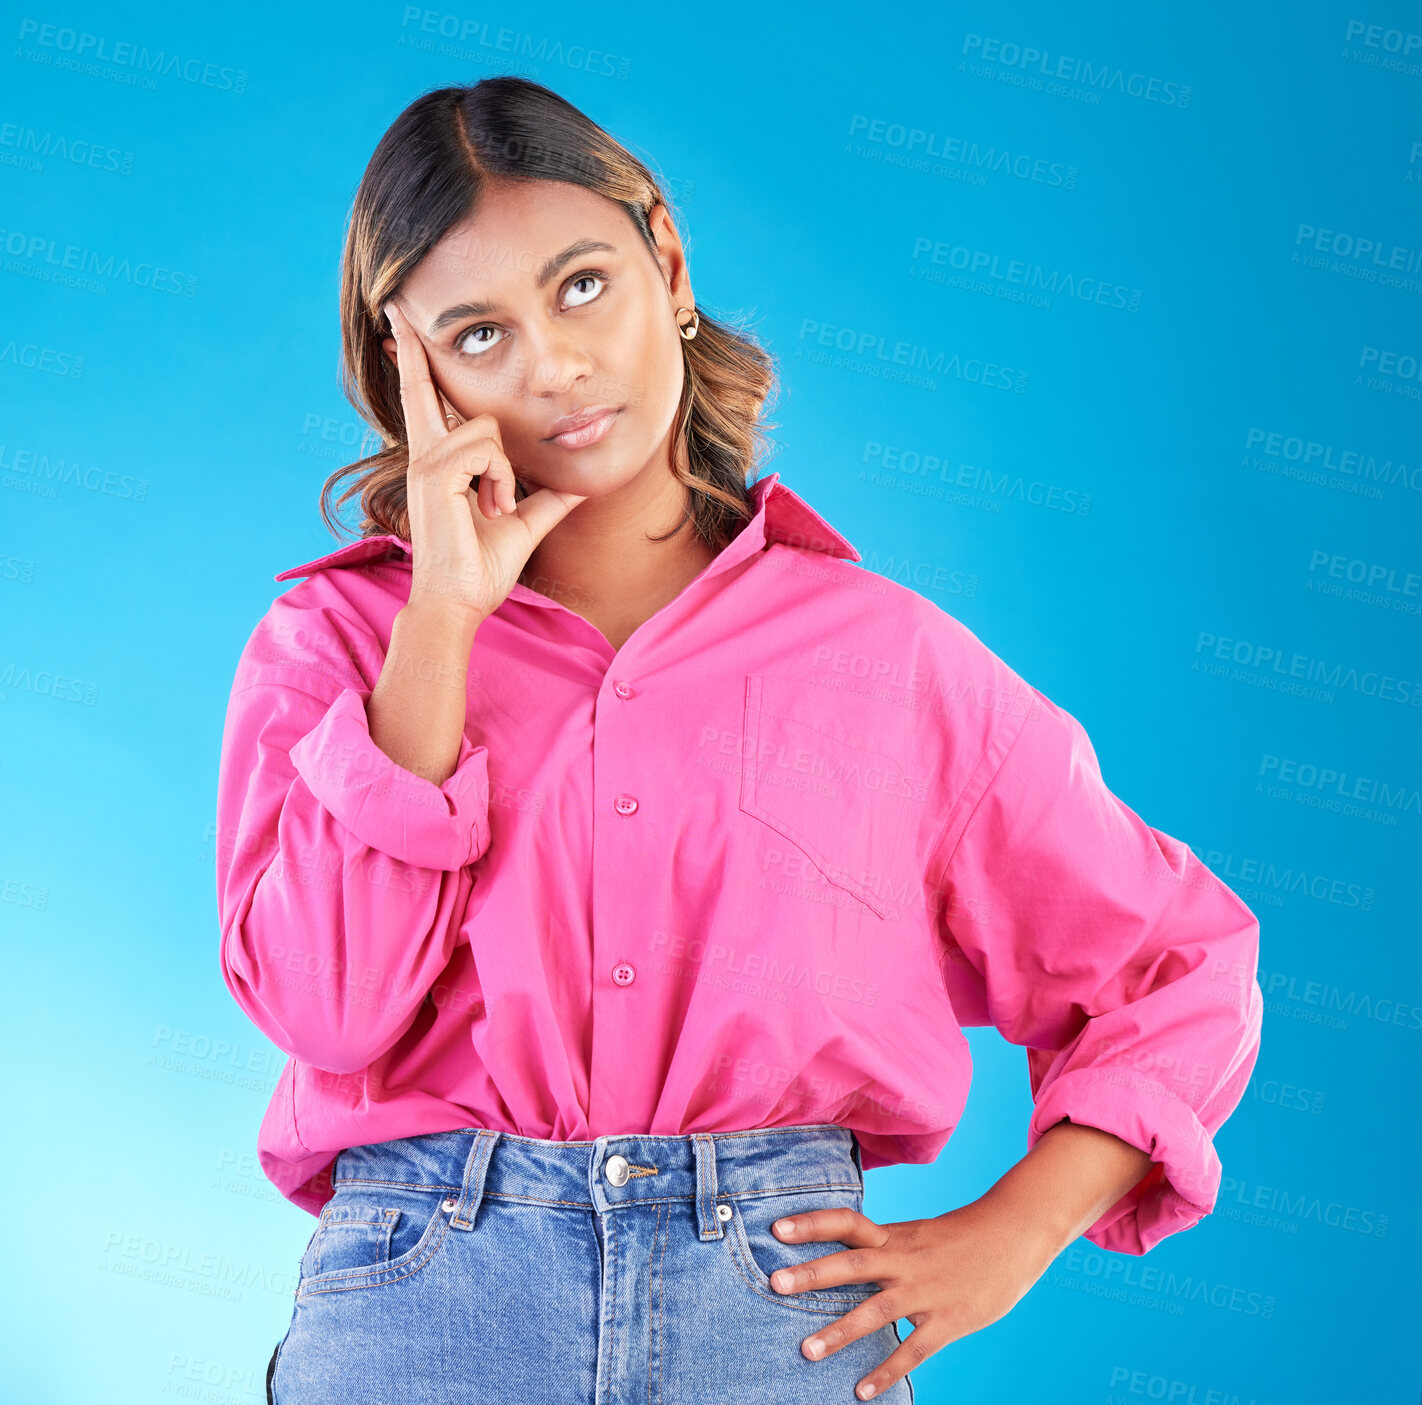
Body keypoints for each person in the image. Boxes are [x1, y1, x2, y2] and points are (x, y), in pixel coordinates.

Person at [215, 76, 1264, 1405]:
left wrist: (1014, 1234)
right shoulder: (335, 647)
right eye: (478, 333)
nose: (552, 364)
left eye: (581, 286)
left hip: (773, 1321)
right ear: (407, 365)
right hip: (430, 1308)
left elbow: (1175, 963)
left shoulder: (882, 655)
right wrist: (440, 623)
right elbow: (329, 1009)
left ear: (664, 257)